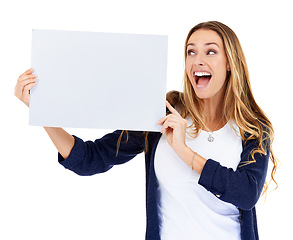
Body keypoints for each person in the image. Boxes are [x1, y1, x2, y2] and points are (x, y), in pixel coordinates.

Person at [15, 21, 277, 240]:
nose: (198, 60)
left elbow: (246, 193)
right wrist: (42, 111)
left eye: (210, 52)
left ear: (230, 63)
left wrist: (184, 151)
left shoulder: (252, 127)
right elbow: (91, 158)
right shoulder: (164, 112)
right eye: (190, 52)